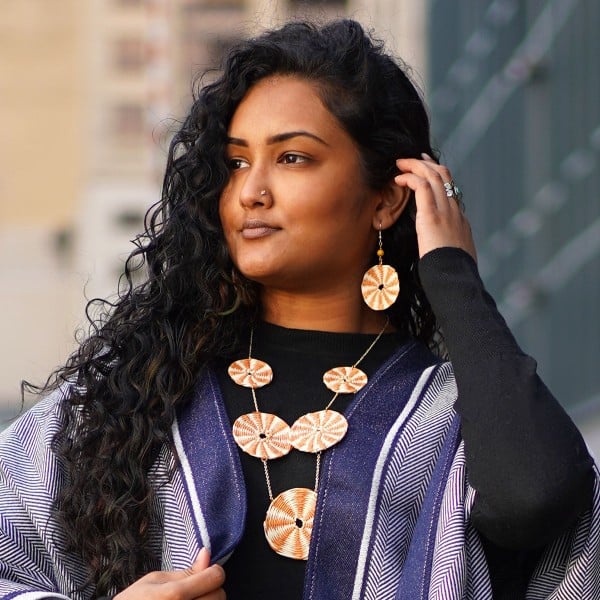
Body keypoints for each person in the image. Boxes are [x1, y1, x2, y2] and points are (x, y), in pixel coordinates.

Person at [0, 19, 597, 600]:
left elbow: (537, 498)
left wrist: (453, 276)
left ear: (388, 199)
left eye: (292, 159)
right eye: (236, 162)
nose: (252, 191)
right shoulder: (138, 395)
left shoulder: (450, 411)